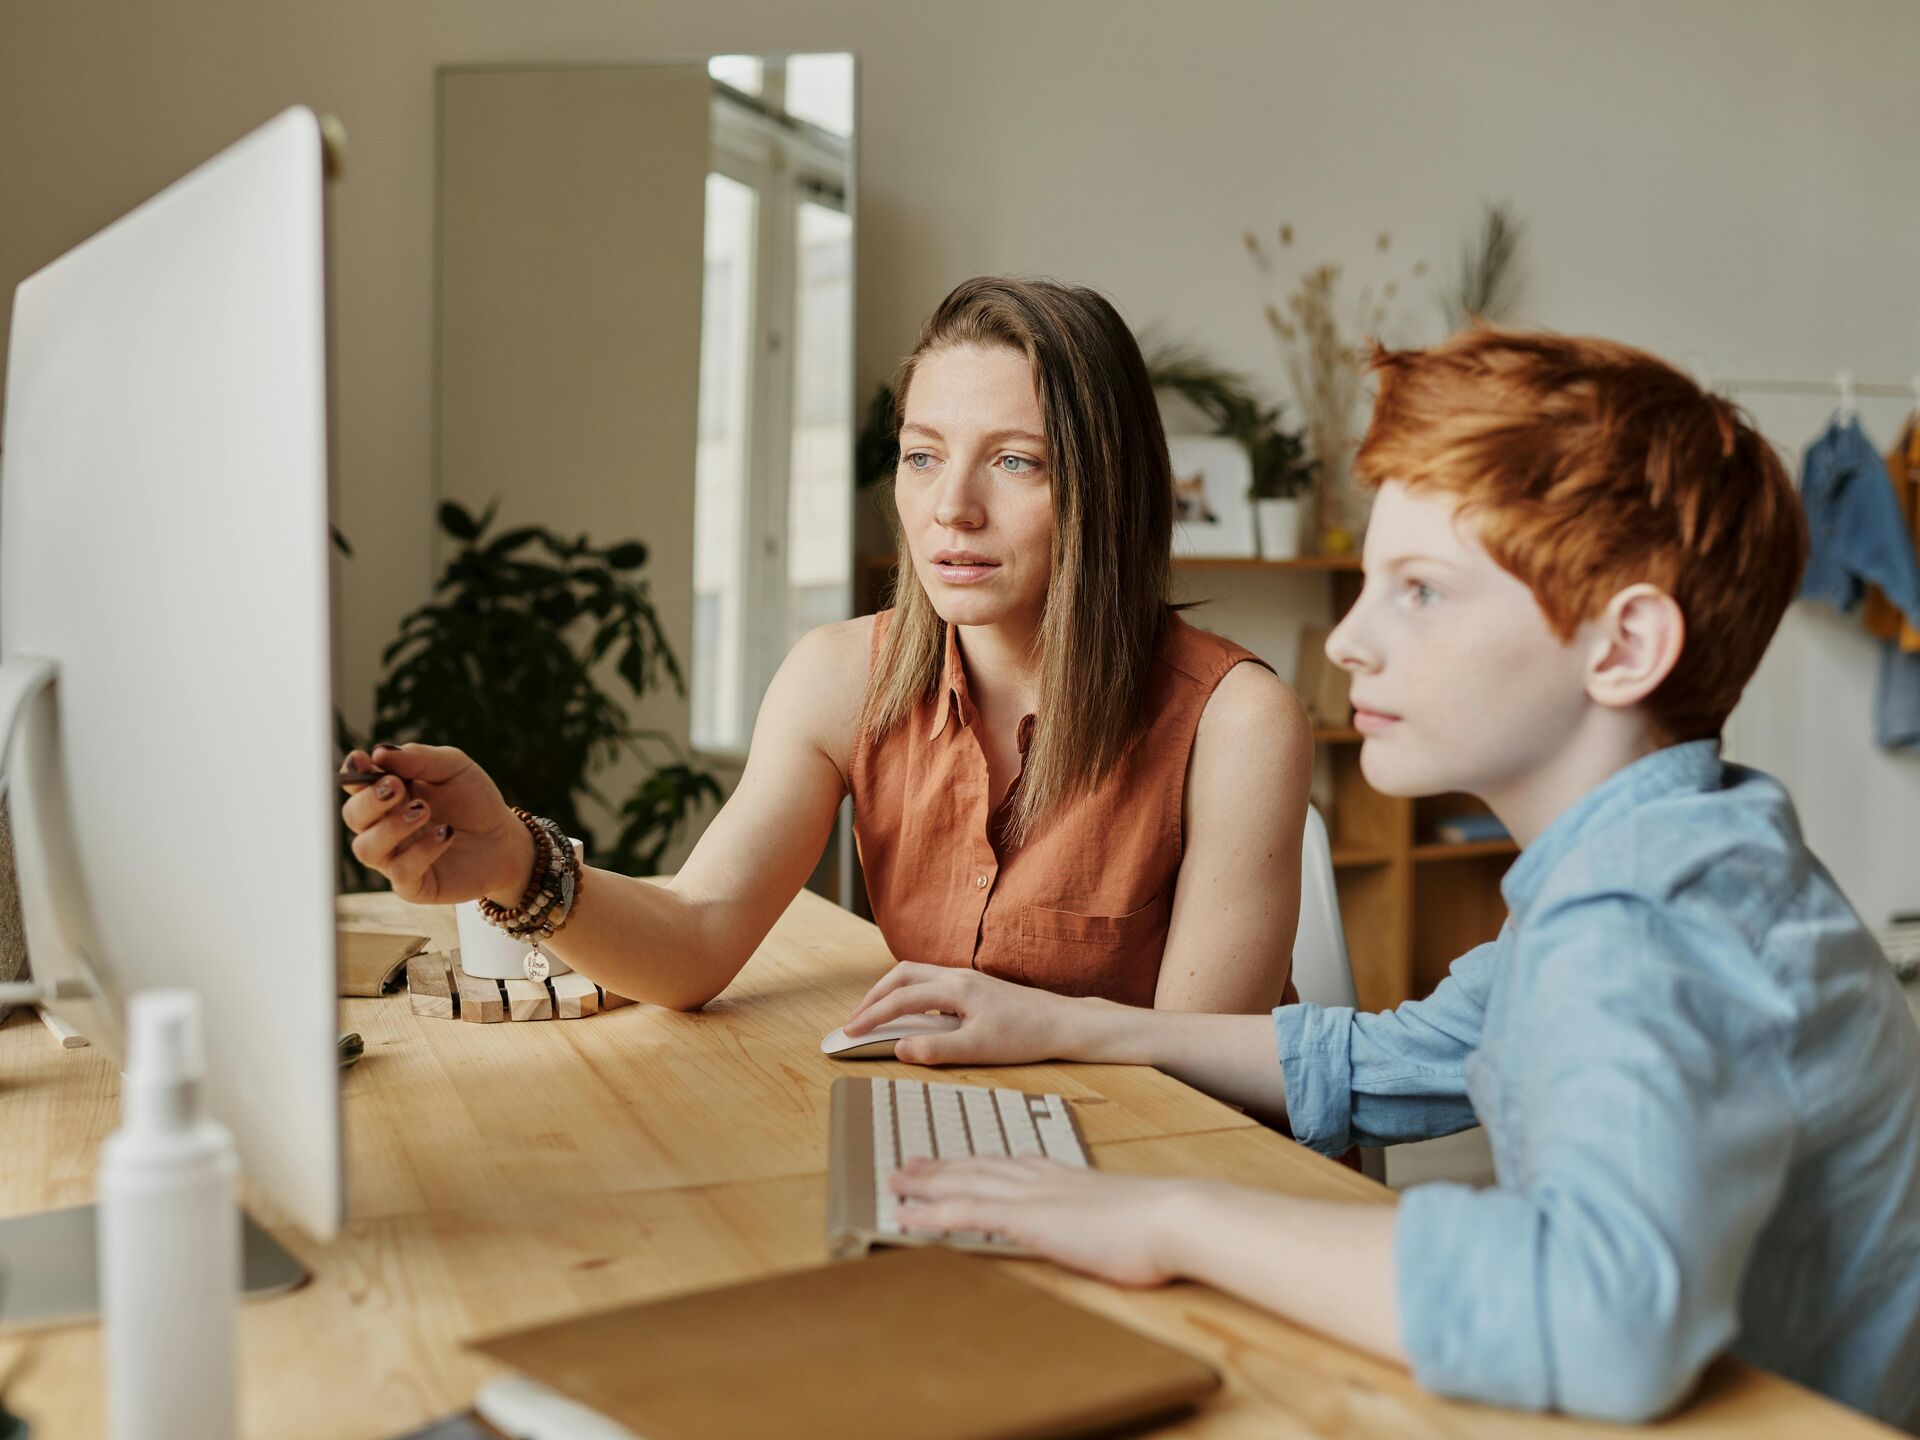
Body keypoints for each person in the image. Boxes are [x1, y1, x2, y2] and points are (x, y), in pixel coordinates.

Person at [843, 329, 1920, 1430]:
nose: (1348, 642)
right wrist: (1068, 1024)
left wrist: (1167, 1219)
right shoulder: (1670, 853)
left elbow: (1599, 1317)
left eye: (1422, 593)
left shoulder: (1646, 916)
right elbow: (1393, 1058)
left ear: (1624, 646)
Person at [340, 276, 1311, 1015]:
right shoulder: (842, 677)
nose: (951, 507)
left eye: (1016, 461)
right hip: (975, 1139)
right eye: (923, 455)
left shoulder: (1236, 723)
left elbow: (1201, 1078)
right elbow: (696, 938)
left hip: (1173, 1172)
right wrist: (516, 862)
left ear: (1109, 489)